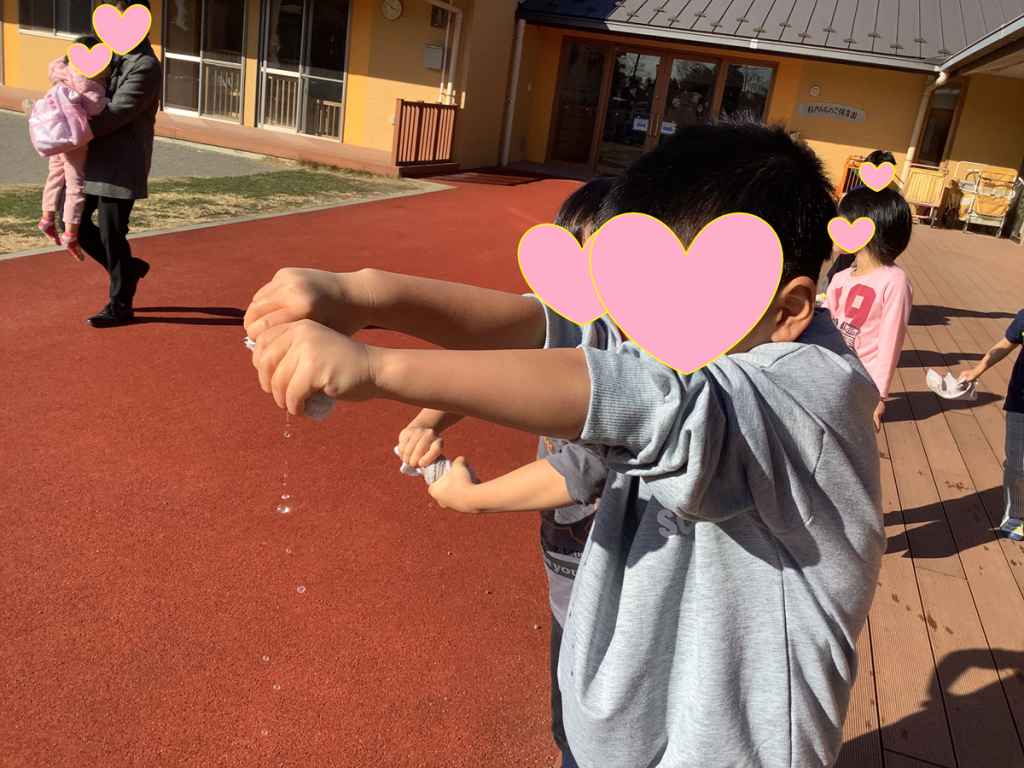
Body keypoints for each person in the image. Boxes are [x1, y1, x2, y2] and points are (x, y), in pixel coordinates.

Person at [245, 120, 884, 768]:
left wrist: (379, 368)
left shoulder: (808, 398)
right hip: (611, 735)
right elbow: (555, 330)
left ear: (787, 310)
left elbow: (650, 403)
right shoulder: (700, 338)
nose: (634, 329)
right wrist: (363, 294)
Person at [397, 177, 613, 763]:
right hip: (568, 561)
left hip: (619, 576)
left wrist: (475, 497)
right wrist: (427, 419)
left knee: (601, 730)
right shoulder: (568, 320)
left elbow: (583, 467)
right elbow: (498, 363)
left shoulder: (628, 353)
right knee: (568, 712)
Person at [78, 0, 162, 328]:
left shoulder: (145, 66)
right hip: (92, 158)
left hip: (122, 163)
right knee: (75, 224)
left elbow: (116, 114)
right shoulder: (108, 54)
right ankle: (128, 270)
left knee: (112, 234)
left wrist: (67, 131)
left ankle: (121, 304)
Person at [824, 185, 915, 431]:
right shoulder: (840, 278)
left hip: (860, 383)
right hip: (829, 373)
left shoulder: (893, 282)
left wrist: (880, 395)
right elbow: (822, 325)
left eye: (842, 222)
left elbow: (890, 342)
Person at [30, 37, 113, 261]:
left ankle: (47, 218)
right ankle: (70, 232)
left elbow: (58, 63)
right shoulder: (88, 82)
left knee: (55, 175)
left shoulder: (60, 69)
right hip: (72, 138)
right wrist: (108, 100)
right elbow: (94, 106)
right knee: (76, 184)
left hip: (55, 132)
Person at [958, 316, 1024, 541]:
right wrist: (977, 370)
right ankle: (1015, 513)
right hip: (1021, 403)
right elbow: (1005, 344)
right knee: (1017, 462)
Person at [818, 149, 899, 300]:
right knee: (852, 262)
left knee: (871, 266)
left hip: (872, 237)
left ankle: (834, 292)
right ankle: (829, 291)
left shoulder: (886, 196)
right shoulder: (860, 192)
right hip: (860, 234)